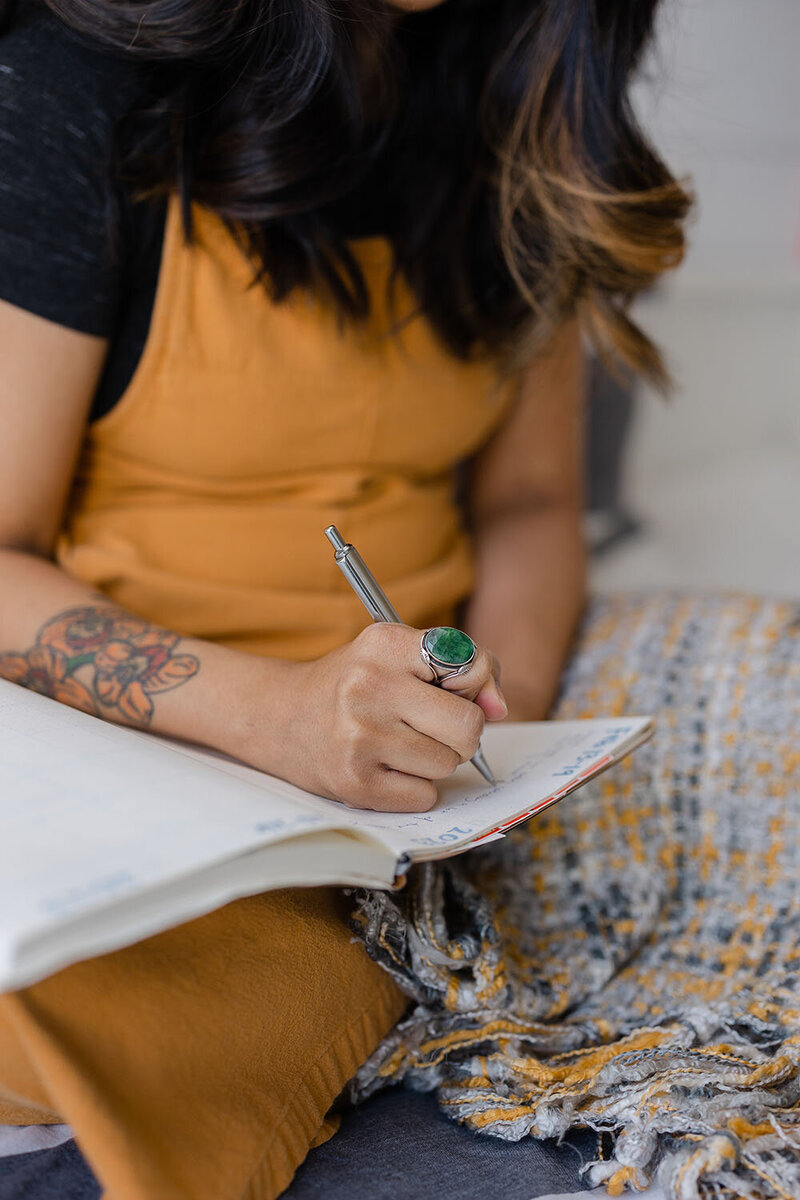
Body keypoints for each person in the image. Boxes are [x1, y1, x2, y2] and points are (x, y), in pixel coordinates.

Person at [0, 0, 689, 1195]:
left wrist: (494, 731)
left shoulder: (533, 78)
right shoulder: (84, 77)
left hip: (403, 773)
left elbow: (527, 507)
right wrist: (278, 718)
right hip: (130, 733)